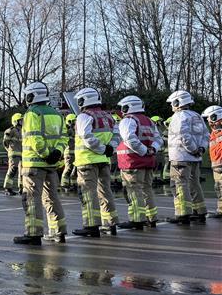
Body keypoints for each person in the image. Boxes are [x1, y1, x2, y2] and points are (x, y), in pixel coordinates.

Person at [13, 82, 68, 245]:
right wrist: (56, 153)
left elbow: (34, 138)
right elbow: (64, 137)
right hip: (51, 165)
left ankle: (33, 233)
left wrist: (46, 154)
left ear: (31, 96)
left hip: (34, 165)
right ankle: (58, 231)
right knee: (52, 198)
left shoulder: (31, 113)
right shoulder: (57, 114)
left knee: (31, 198)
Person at [71, 88, 120, 238]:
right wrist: (110, 149)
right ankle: (110, 223)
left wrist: (101, 148)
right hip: (104, 161)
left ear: (83, 101)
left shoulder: (84, 116)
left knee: (88, 193)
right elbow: (118, 136)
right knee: (105, 192)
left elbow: (87, 136)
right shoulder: (109, 116)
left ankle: (91, 225)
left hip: (87, 161)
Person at [115, 96, 163, 230]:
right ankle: (151, 218)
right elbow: (158, 139)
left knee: (133, 191)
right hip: (148, 162)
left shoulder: (128, 120)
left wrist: (143, 150)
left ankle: (137, 219)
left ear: (127, 107)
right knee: (147, 190)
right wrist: (152, 149)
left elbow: (129, 138)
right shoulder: (148, 121)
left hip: (132, 162)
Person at [166, 91, 209, 225]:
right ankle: (200, 211)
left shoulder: (178, 116)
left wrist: (193, 149)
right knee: (194, 183)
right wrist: (200, 149)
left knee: (179, 184)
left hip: (180, 157)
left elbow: (183, 136)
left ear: (177, 102)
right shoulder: (197, 116)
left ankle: (183, 214)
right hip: (195, 158)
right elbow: (206, 135)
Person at [202, 105, 222, 218]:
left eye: (209, 120)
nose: (209, 123)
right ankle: (220, 210)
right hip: (217, 166)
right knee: (219, 188)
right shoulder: (213, 133)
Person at [2, 113, 23, 196]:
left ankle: (22, 187)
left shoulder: (22, 130)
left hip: (22, 154)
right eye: (20, 120)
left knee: (22, 172)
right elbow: (5, 142)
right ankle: (7, 188)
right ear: (16, 121)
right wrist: (9, 150)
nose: (22, 122)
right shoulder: (11, 130)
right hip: (14, 153)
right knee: (13, 170)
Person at [61, 114, 78, 192]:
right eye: (74, 121)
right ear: (69, 122)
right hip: (68, 153)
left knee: (75, 170)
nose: (75, 122)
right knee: (68, 169)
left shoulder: (75, 130)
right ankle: (64, 185)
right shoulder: (67, 130)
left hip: (75, 153)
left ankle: (73, 184)